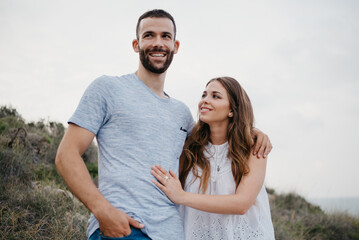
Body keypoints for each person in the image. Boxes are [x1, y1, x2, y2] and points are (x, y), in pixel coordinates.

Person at [55, 9, 272, 240]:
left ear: (175, 46)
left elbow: (216, 139)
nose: (158, 43)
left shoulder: (181, 114)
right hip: (125, 227)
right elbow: (66, 155)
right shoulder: (107, 89)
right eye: (149, 35)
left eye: (165, 36)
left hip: (173, 232)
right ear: (136, 44)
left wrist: (252, 131)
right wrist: (102, 210)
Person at [151, 77, 275, 239]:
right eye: (204, 95)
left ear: (232, 110)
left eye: (215, 96)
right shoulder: (189, 146)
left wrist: (182, 196)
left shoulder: (254, 148)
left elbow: (242, 204)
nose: (205, 101)